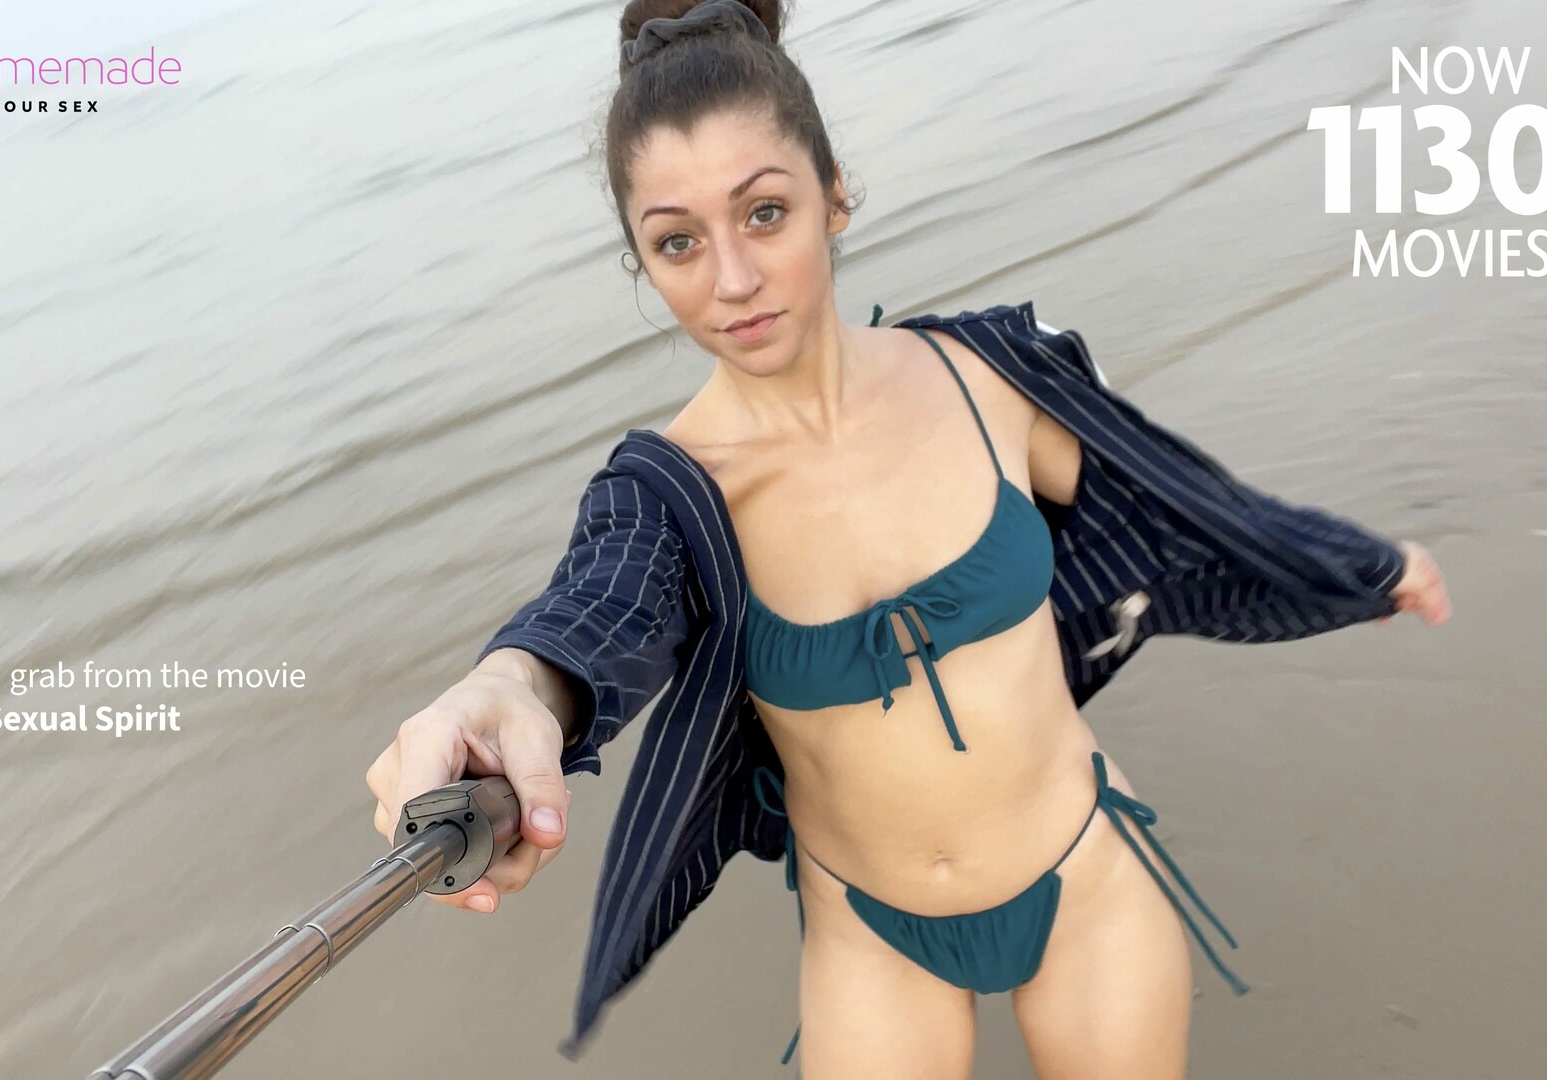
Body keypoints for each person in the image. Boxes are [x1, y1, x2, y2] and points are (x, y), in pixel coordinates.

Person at [365, 2, 1453, 1076]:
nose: (731, 280)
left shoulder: (995, 378)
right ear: (642, 261)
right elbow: (595, 615)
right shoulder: (668, 497)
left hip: (1084, 877)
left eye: (764, 213)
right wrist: (506, 688)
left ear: (835, 195)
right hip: (872, 940)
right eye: (678, 241)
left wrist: (1356, 565)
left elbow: (1174, 502)